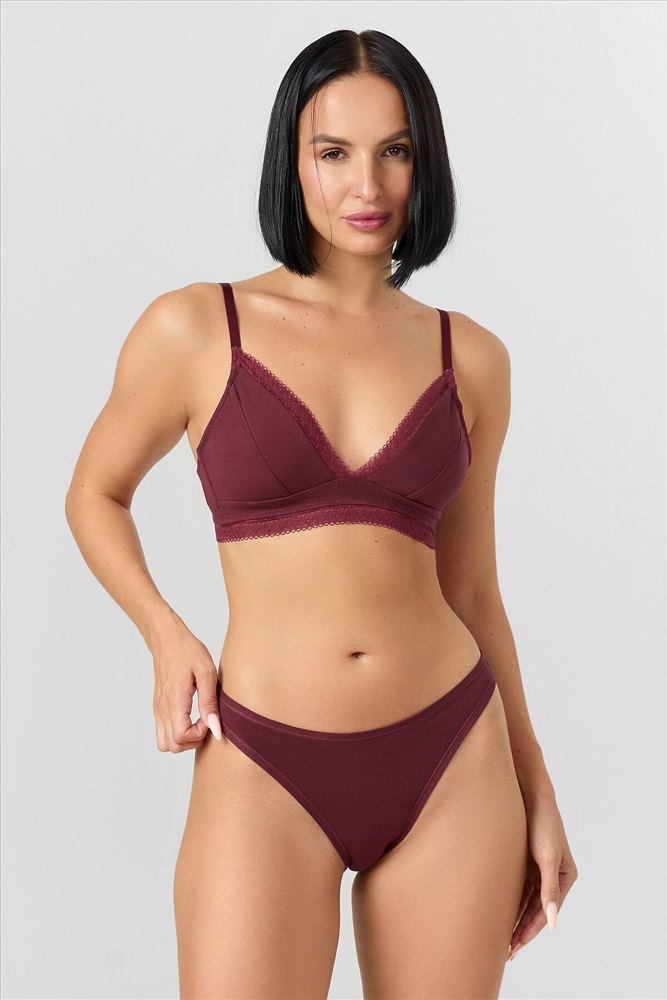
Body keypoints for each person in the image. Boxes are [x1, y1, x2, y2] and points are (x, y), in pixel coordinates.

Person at [65, 27, 578, 1000]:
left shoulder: (470, 358)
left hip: (452, 757)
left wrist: (537, 787)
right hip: (264, 757)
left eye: (395, 151)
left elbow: (473, 590)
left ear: (424, 162)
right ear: (290, 161)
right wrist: (165, 633)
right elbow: (94, 492)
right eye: (333, 152)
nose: (366, 185)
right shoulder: (196, 327)